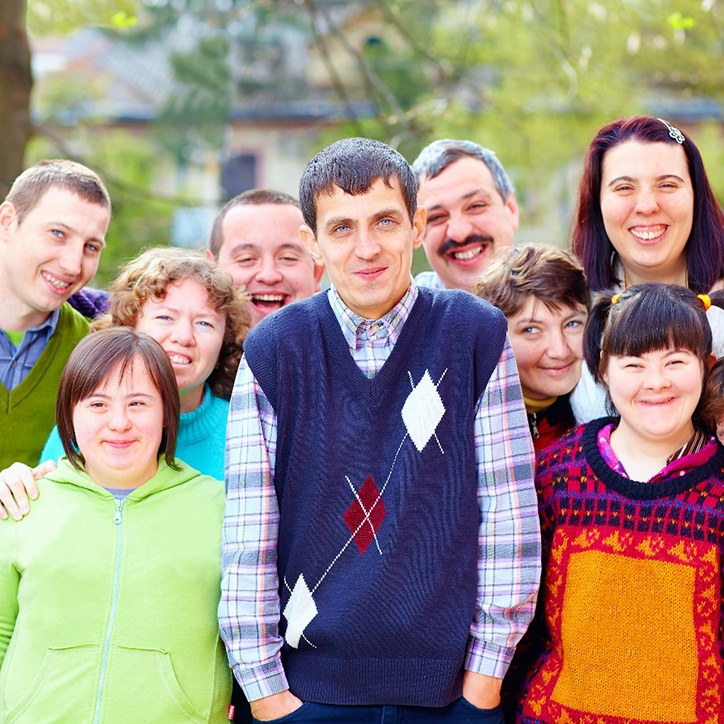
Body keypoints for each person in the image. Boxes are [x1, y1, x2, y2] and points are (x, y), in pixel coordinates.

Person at [219, 137, 541, 723]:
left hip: (450, 694)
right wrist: (268, 699)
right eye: (341, 228)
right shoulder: (276, 350)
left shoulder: (474, 335)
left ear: (416, 226)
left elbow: (507, 516)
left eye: (385, 221)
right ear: (311, 242)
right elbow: (248, 536)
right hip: (306, 692)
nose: (366, 247)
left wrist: (483, 684)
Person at [512, 283, 724, 722]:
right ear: (603, 371)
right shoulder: (556, 474)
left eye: (676, 361)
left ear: (706, 366)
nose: (656, 382)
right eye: (633, 364)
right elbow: (521, 618)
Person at [0, 327, 232, 722]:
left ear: (166, 412)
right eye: (97, 404)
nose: (119, 422)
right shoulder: (26, 502)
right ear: (69, 414)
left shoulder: (220, 509)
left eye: (138, 403)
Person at [0, 247, 249, 520]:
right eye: (165, 317)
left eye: (204, 323)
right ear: (129, 331)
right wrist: (15, 488)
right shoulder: (86, 424)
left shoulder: (244, 432)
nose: (183, 336)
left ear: (223, 348)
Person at [570, 115, 724, 422]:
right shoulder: (570, 311)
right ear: (598, 204)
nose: (647, 205)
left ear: (696, 197)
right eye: (624, 187)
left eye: (667, 184)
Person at [0, 159, 111, 468]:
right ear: (8, 221)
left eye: (91, 247)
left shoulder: (95, 353)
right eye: (58, 233)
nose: (73, 265)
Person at [475, 245, 589, 452]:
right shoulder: (473, 425)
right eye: (531, 330)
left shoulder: (605, 405)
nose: (560, 351)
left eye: (572, 324)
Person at [206, 188, 325, 327]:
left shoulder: (350, 346)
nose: (269, 276)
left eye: (288, 258)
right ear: (211, 274)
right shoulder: (183, 343)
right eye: (247, 259)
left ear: (317, 273)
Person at [411, 139, 519, 293]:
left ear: (511, 209)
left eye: (475, 206)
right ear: (419, 230)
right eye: (437, 217)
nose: (459, 233)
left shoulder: (561, 301)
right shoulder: (403, 315)